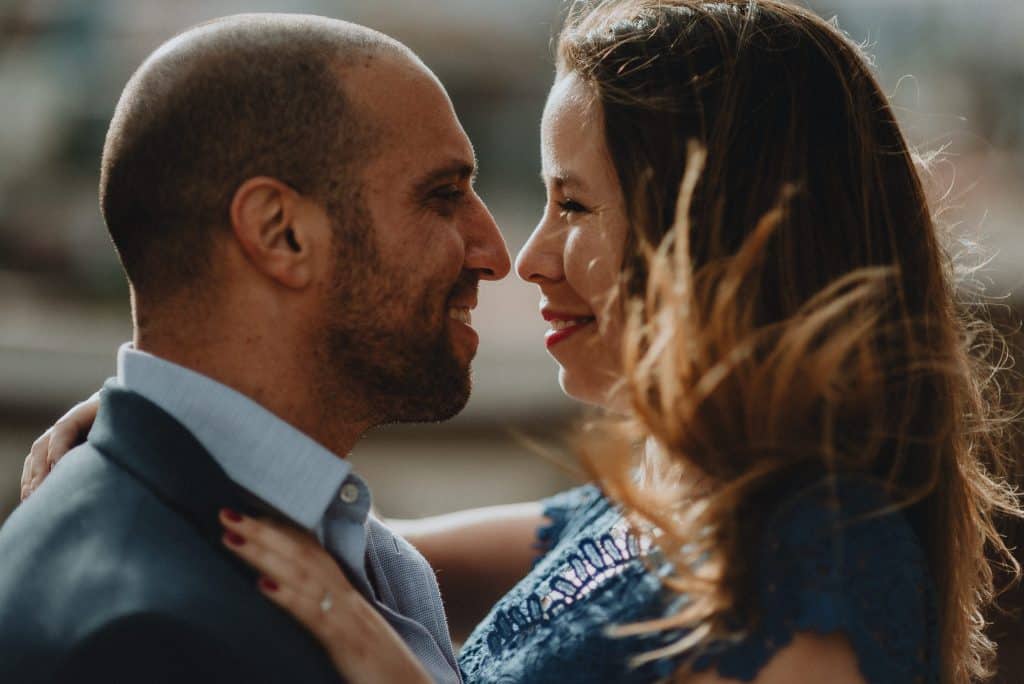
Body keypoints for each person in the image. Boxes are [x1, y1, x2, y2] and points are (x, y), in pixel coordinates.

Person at [20, 1, 1022, 683]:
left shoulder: (821, 558)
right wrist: (159, 430)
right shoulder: (660, 500)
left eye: (572, 205)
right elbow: (348, 556)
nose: (521, 256)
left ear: (706, 231)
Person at [0, 13, 512, 683]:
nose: (496, 255)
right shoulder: (135, 639)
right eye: (443, 196)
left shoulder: (341, 543)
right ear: (281, 233)